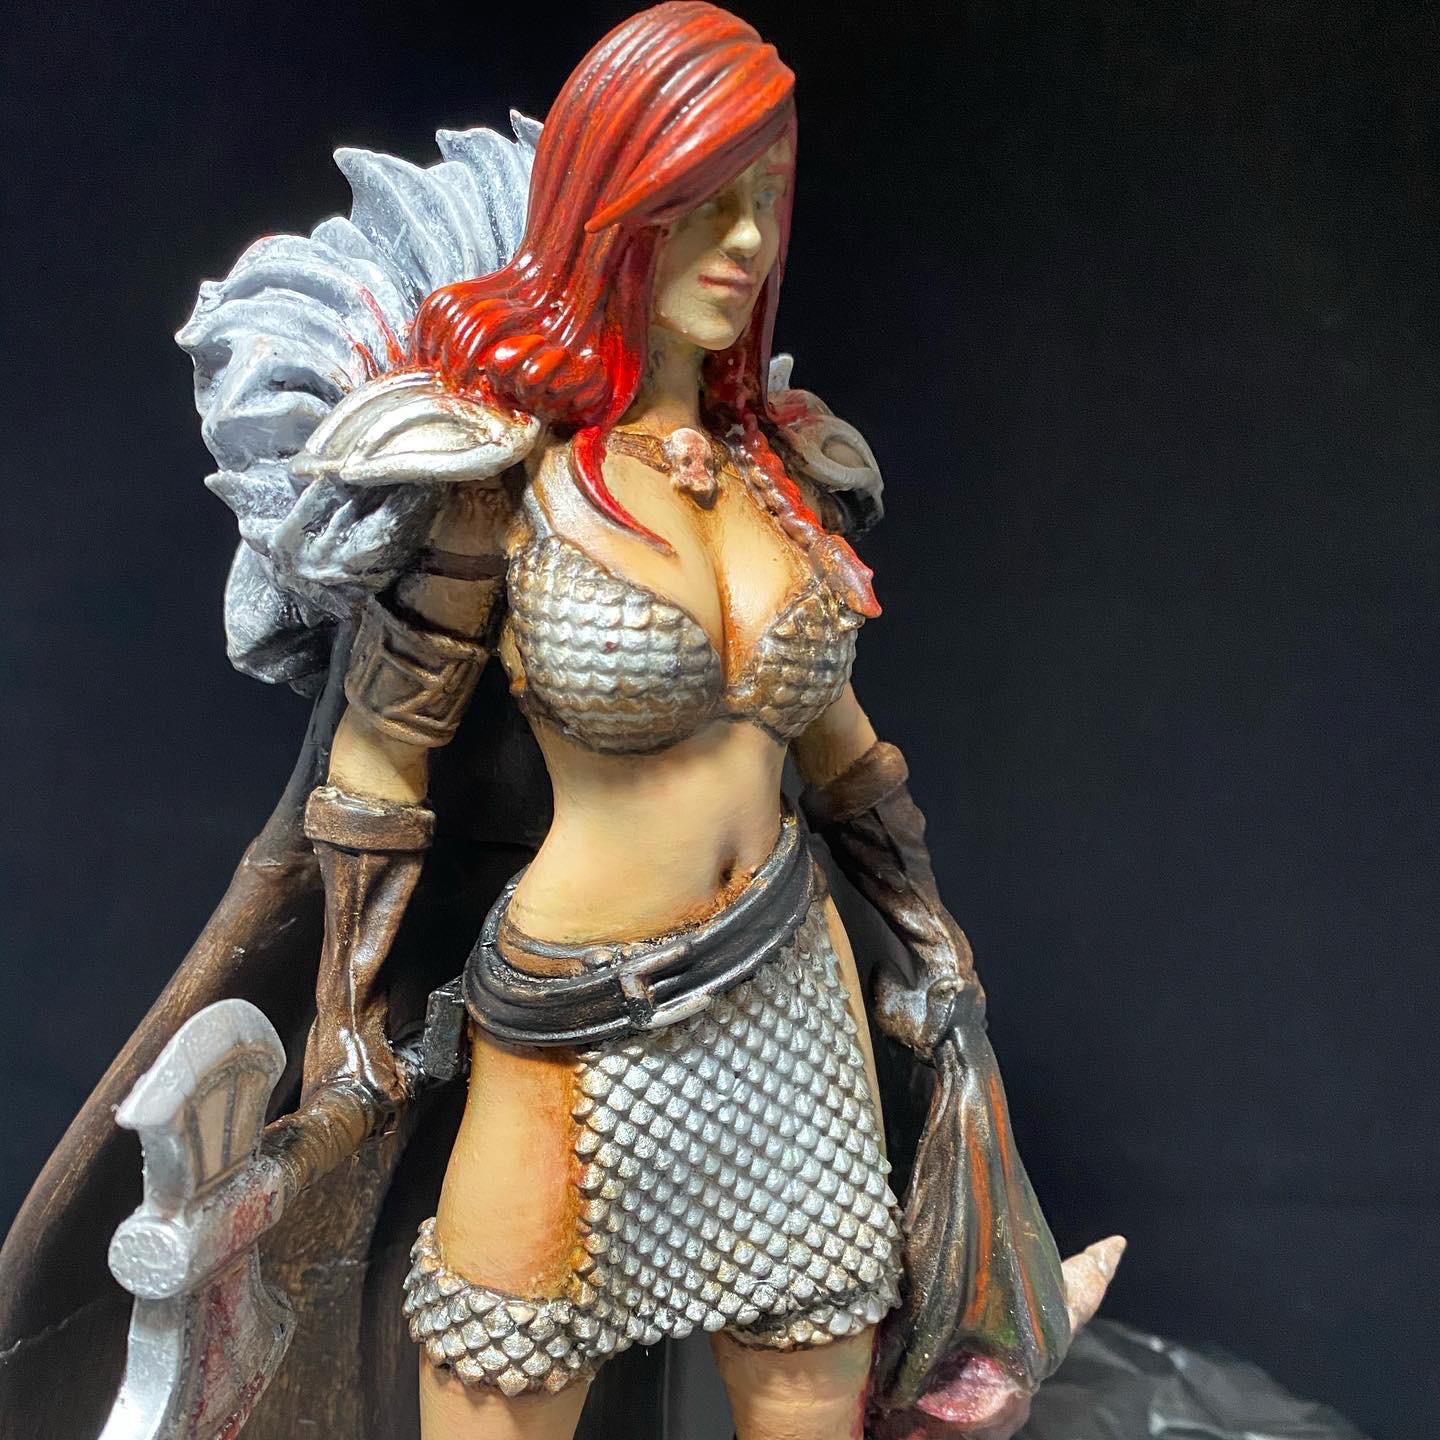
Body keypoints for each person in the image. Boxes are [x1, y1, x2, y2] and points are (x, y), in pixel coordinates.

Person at [0, 7, 1119, 1438]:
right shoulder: (495, 478)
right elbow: (380, 766)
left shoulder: (783, 472)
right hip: (575, 1028)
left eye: (765, 201)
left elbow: (842, 754)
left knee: (812, 1395)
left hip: (796, 1001)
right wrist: (346, 1014)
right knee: (501, 1374)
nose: (743, 243)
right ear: (611, 207)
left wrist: (928, 933)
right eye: (699, 202)